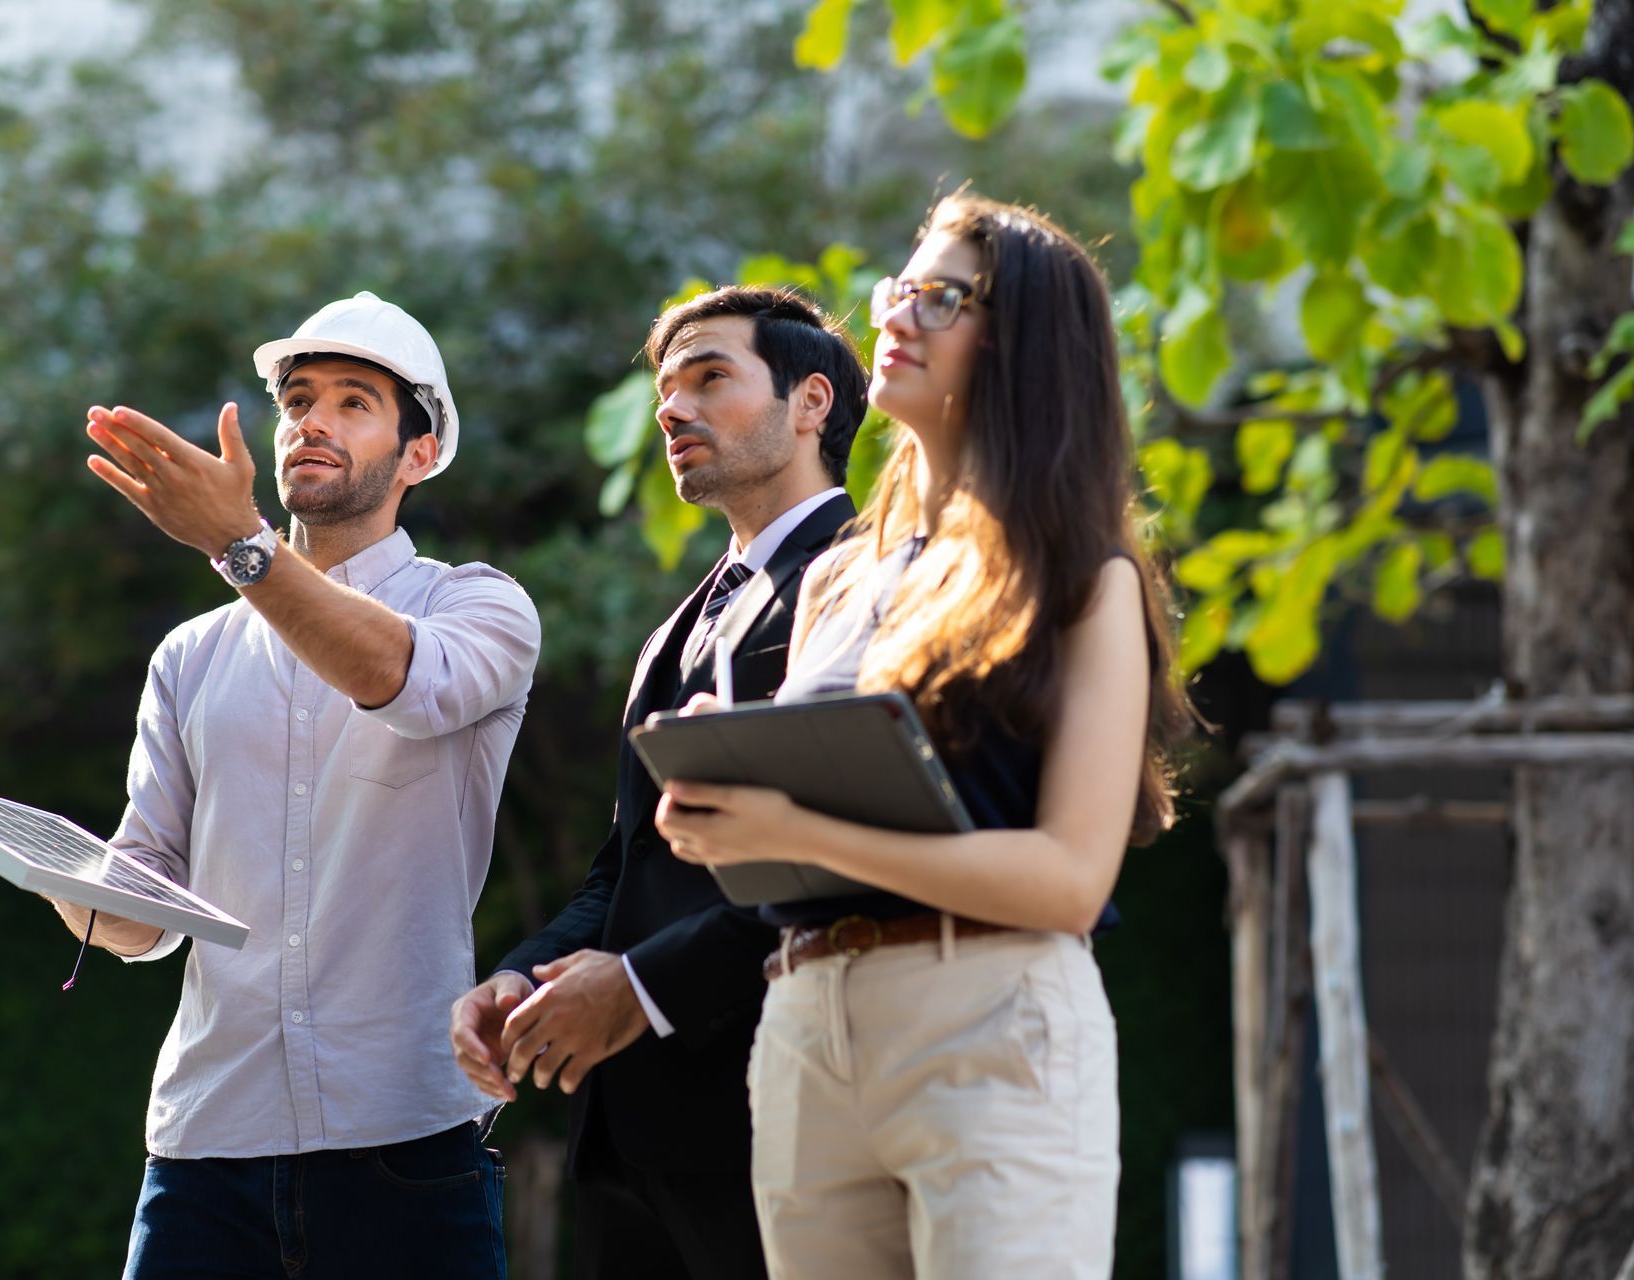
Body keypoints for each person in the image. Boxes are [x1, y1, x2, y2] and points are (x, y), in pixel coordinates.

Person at [653, 195, 1192, 1279]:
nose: (896, 314)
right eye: (901, 289)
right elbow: (816, 819)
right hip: (807, 1018)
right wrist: (730, 793)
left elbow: (1068, 879)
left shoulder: (1085, 575)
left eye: (942, 296)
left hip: (991, 1015)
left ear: (1026, 344)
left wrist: (794, 820)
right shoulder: (841, 575)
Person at [58, 291, 539, 1280]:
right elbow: (145, 916)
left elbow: (390, 678)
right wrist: (69, 885)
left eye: (353, 401)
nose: (312, 420)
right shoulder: (190, 655)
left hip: (404, 1135)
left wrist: (240, 546)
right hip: (204, 1144)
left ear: (419, 451)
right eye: (297, 399)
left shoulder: (479, 605)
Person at [448, 286, 868, 1279]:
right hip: (631, 1140)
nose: (671, 409)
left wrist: (641, 987)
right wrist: (528, 971)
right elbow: (625, 864)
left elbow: (847, 856)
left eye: (710, 378)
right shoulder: (675, 625)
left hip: (784, 1114)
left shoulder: (865, 580)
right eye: (663, 390)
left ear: (811, 402)